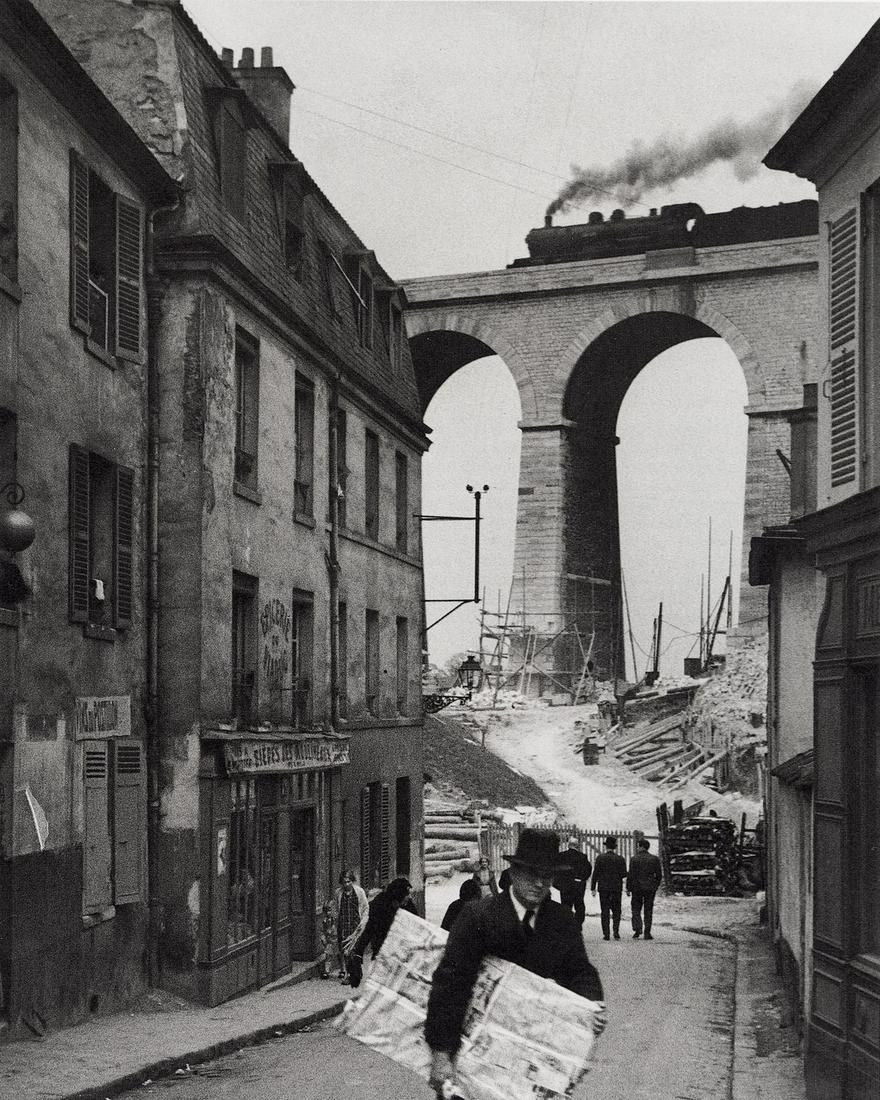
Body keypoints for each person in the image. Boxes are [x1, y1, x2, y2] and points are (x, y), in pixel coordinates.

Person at [425, 829, 606, 1095]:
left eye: (547, 877)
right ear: (514, 873)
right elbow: (451, 984)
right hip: (472, 1055)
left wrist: (591, 1004)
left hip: (530, 1061)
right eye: (533, 875)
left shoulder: (561, 920)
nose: (540, 884)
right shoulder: (478, 917)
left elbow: (579, 971)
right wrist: (441, 1053)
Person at [349, 876, 415, 987]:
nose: (409, 897)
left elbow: (416, 927)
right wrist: (359, 953)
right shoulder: (380, 904)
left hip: (402, 955)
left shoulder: (409, 906)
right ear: (399, 895)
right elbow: (369, 929)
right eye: (407, 894)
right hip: (382, 953)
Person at [334, 869, 368, 984]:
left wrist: (363, 922)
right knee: (345, 951)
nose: (346, 884)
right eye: (344, 882)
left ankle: (351, 975)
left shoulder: (359, 892)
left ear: (352, 881)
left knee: (353, 950)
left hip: (355, 925)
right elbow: (336, 909)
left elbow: (365, 908)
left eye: (348, 881)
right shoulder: (338, 893)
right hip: (343, 925)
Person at [590, 835, 627, 940]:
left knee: (604, 910)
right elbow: (624, 874)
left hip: (603, 888)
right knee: (616, 910)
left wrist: (593, 888)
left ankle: (606, 934)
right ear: (615, 847)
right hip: (616, 887)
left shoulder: (600, 858)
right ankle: (616, 932)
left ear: (606, 847)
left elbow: (595, 873)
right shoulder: (620, 859)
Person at [626, 838, 663, 940]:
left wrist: (628, 888)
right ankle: (647, 932)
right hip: (650, 888)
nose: (637, 848)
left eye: (638, 846)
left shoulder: (634, 859)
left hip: (636, 888)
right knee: (648, 910)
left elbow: (630, 875)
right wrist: (655, 886)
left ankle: (637, 930)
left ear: (641, 847)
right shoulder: (654, 859)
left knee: (636, 909)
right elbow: (659, 875)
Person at [553, 836, 592, 927]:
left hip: (565, 886)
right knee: (579, 906)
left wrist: (558, 885)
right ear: (577, 846)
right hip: (578, 886)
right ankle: (578, 925)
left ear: (568, 845)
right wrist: (582, 880)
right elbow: (588, 870)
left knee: (566, 906)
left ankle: (566, 927)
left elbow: (555, 871)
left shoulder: (561, 856)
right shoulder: (582, 857)